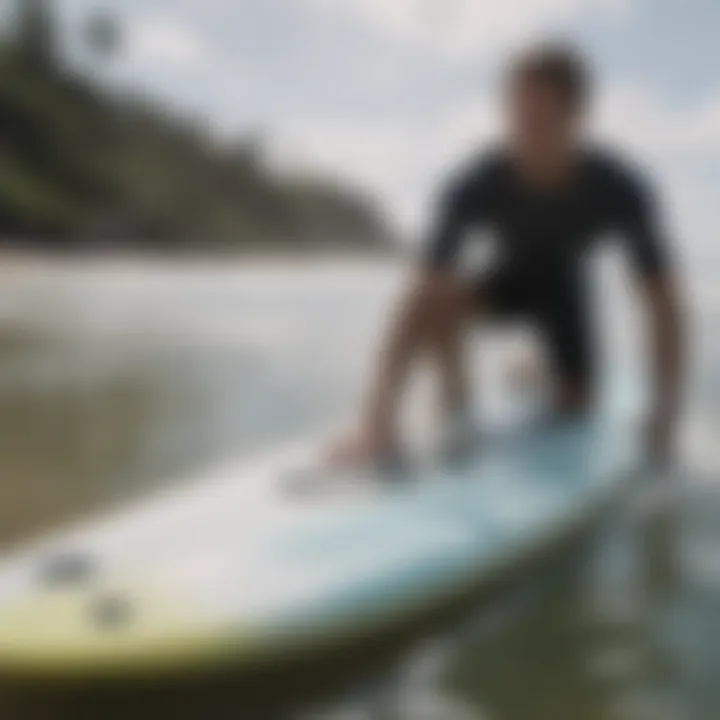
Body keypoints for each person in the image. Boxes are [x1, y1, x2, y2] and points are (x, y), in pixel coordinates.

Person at [335, 42, 684, 468]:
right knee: (438, 301)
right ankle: (457, 408)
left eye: (542, 119)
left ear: (578, 117)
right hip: (508, 281)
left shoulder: (618, 188)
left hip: (565, 295)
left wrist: (665, 416)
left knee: (577, 410)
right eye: (517, 115)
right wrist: (378, 419)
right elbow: (420, 292)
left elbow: (662, 302)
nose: (526, 133)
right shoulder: (476, 182)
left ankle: (537, 373)